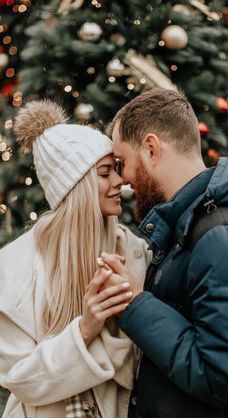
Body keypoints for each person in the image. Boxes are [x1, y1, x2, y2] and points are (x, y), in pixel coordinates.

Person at [0, 99, 150, 418]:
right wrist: (85, 328)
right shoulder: (12, 269)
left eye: (117, 171)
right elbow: (21, 381)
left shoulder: (133, 251)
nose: (120, 182)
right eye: (105, 173)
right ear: (77, 184)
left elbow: (142, 368)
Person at [99, 88, 228, 418]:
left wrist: (135, 302)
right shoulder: (181, 227)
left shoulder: (218, 234)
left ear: (150, 148)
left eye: (123, 161)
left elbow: (224, 379)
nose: (124, 179)